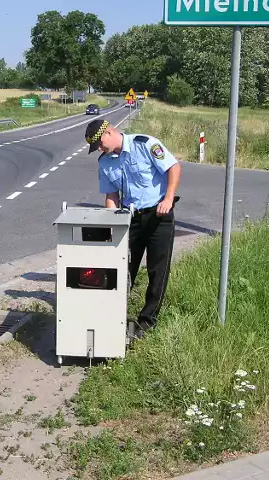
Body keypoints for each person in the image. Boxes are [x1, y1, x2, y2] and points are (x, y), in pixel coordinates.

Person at [84, 118, 182, 336]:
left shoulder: (145, 144)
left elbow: (173, 168)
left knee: (158, 270)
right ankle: (114, 317)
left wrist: (168, 198)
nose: (100, 149)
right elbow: (111, 195)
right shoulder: (105, 162)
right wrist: (110, 226)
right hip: (130, 219)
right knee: (121, 269)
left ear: (109, 132)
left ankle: (147, 321)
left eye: (100, 143)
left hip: (158, 215)